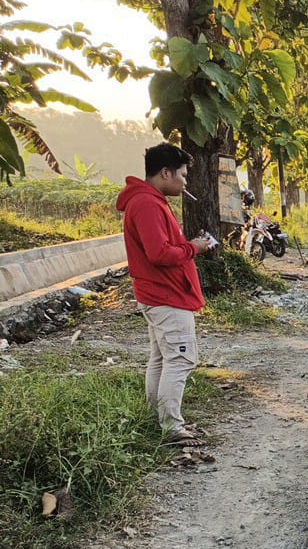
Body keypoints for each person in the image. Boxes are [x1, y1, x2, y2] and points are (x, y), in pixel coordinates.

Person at [116, 143, 217, 447]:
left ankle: (158, 419)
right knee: (181, 359)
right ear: (165, 172)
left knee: (161, 358)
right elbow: (159, 253)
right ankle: (171, 428)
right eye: (183, 175)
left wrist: (188, 246)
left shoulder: (150, 200)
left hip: (160, 293)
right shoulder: (146, 204)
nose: (185, 181)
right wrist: (194, 248)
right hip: (166, 294)